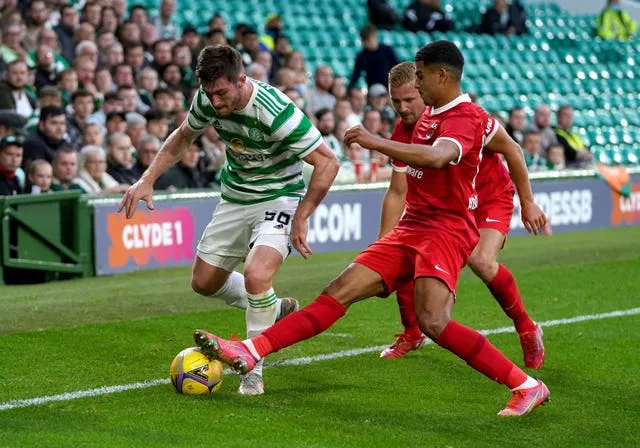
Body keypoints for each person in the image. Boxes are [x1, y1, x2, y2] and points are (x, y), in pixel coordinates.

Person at [193, 41, 550, 416]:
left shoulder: (464, 118)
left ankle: (525, 385)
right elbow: (401, 186)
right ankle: (250, 351)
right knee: (337, 291)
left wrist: (373, 140)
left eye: (422, 75)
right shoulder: (425, 114)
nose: (417, 82)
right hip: (413, 226)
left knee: (435, 321)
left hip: (446, 231)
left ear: (441, 76)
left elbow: (438, 156)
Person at [119, 45, 340, 396]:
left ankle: (252, 373)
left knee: (257, 274)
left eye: (222, 93)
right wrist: (147, 179)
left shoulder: (275, 111)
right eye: (209, 93)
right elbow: (183, 137)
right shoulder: (207, 100)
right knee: (204, 282)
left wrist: (302, 215)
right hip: (236, 197)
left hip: (279, 197)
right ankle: (274, 307)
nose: (216, 102)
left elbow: (328, 161)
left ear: (241, 80)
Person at [377, 63, 545, 371]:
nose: (402, 108)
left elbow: (513, 149)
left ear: (424, 88)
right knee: (403, 249)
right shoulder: (404, 130)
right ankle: (413, 333)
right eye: (395, 101)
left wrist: (528, 202)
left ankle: (526, 326)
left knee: (481, 260)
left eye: (409, 100)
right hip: (451, 208)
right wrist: (383, 241)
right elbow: (397, 191)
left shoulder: (469, 119)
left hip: (489, 198)